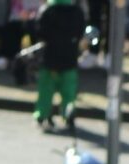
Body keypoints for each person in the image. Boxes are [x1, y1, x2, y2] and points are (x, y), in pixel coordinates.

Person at [37, 0, 89, 129]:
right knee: (69, 90)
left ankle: (43, 115)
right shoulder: (77, 12)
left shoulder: (47, 11)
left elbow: (40, 32)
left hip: (50, 57)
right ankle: (68, 115)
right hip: (69, 57)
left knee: (46, 89)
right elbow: (81, 32)